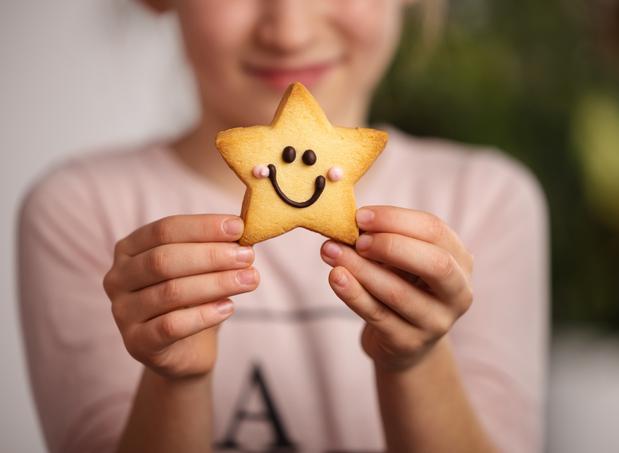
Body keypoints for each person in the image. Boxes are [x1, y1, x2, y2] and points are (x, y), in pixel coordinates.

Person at [18, 1, 548, 452]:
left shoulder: (487, 201)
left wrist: (417, 360)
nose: (289, 32)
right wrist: (174, 379)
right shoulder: (81, 209)